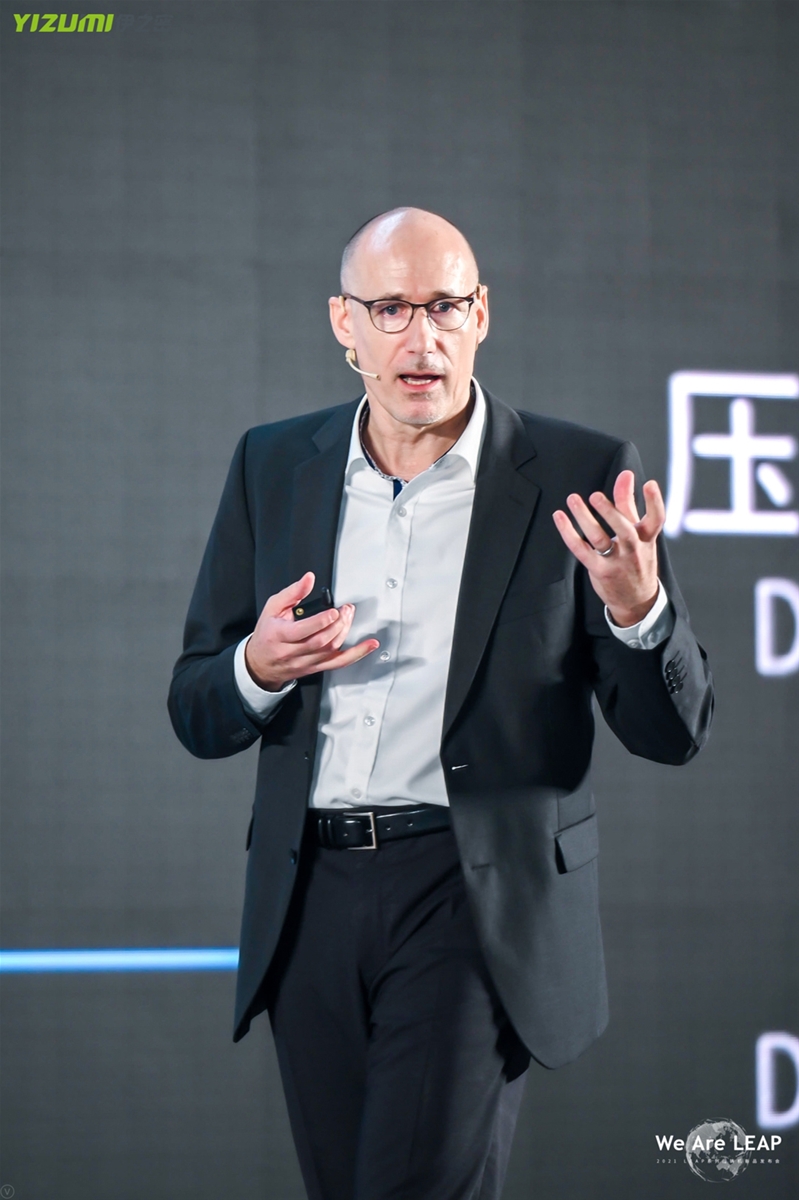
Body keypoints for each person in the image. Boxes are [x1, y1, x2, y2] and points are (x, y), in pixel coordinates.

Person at [168, 207, 713, 1200]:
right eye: (390, 309)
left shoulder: (578, 474)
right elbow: (196, 707)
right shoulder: (272, 464)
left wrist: (640, 613)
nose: (421, 337)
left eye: (446, 306)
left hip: (472, 893)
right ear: (344, 322)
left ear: (481, 315)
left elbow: (669, 734)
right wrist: (258, 664)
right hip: (308, 894)